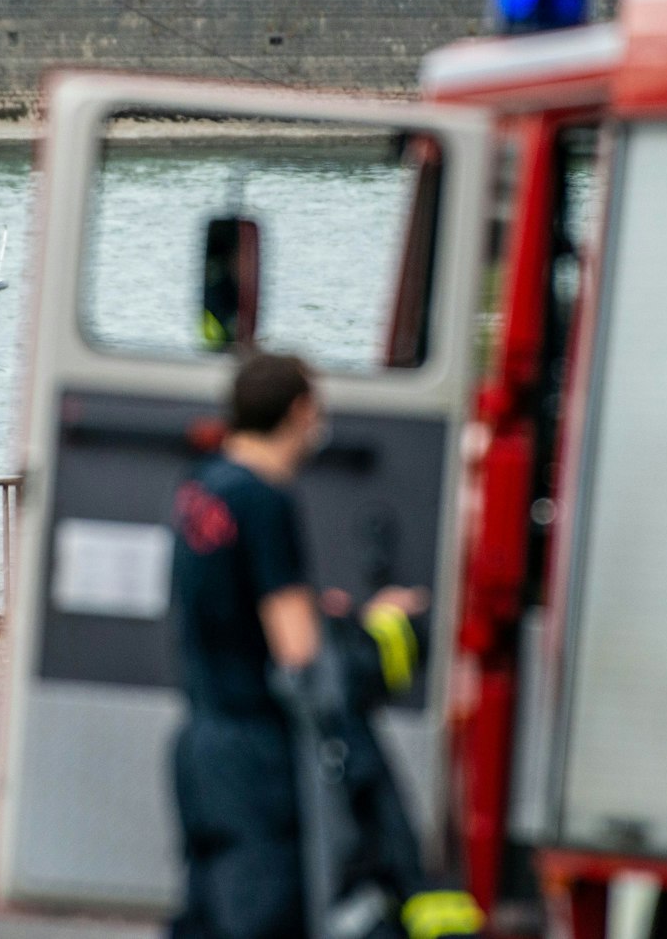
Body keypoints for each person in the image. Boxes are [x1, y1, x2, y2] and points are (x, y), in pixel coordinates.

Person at [168, 353, 485, 939]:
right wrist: (376, 624)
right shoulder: (265, 499)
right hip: (257, 757)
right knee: (265, 916)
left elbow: (229, 610)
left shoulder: (204, 488)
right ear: (299, 410)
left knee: (208, 914)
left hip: (200, 745)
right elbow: (297, 652)